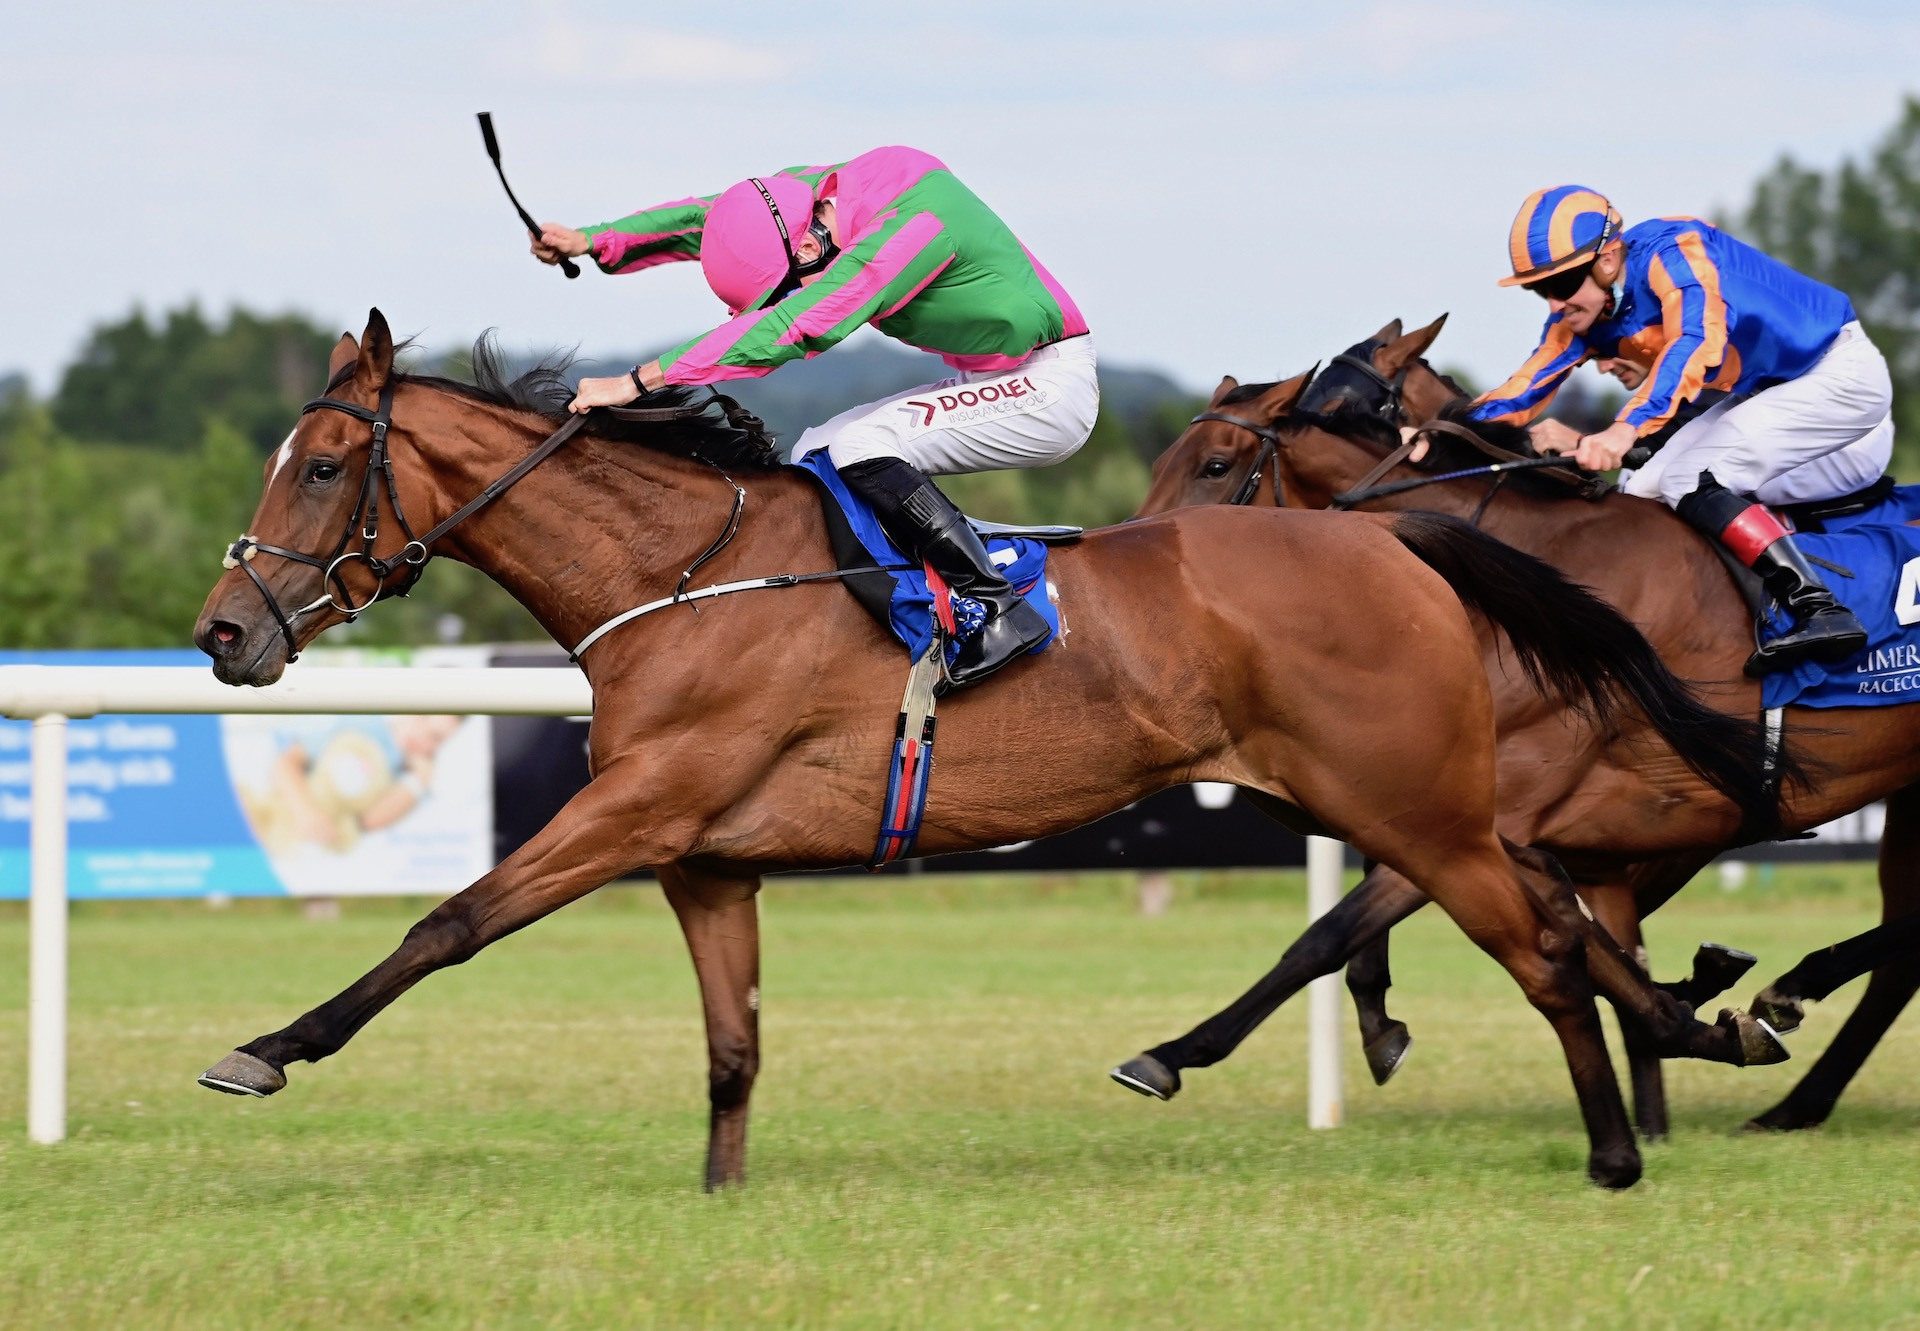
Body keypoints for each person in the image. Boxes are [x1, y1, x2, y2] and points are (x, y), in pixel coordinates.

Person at [534, 146, 1097, 690]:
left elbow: (795, 327)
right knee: (815, 452)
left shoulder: (909, 231)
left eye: (780, 291)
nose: (781, 301)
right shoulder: (815, 196)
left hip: (1049, 388)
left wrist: (639, 381)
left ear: (806, 248)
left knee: (862, 446)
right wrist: (593, 240)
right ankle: (878, 618)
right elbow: (709, 216)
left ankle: (998, 608)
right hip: (998, 377)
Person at [1465, 185, 1890, 674]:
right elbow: (1526, 385)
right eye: (1539, 291)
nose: (1553, 305)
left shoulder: (1676, 252)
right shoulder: (1584, 311)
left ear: (1606, 260)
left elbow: (1695, 343)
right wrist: (1436, 435)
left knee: (1689, 478)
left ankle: (1821, 610)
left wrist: (1624, 430)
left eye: (1560, 286)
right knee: (1641, 491)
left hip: (1835, 371)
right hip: (1768, 388)